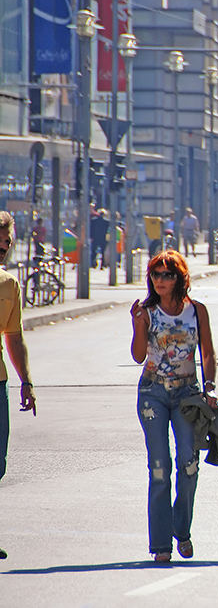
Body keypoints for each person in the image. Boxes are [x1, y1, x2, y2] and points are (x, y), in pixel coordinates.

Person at [129, 251, 217, 563]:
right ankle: (161, 544)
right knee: (159, 468)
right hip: (153, 392)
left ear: (180, 277)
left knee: (189, 464)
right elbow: (138, 355)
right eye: (155, 274)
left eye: (167, 274)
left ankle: (183, 529)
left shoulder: (197, 311)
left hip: (187, 394)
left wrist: (210, 388)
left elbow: (207, 352)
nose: (161, 280)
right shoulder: (147, 311)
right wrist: (137, 325)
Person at [0, 212, 37, 561]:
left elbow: (13, 336)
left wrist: (26, 381)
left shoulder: (9, 284)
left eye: (6, 244)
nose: (1, 250)